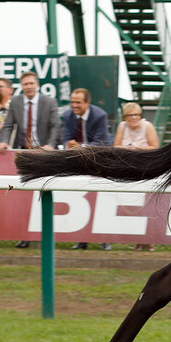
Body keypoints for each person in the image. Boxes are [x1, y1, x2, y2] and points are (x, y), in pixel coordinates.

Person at [0, 72, 61, 248]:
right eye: (25, 84)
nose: (29, 86)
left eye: (31, 83)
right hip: (22, 152)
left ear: (37, 84)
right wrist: (3, 141)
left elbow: (55, 126)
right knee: (22, 196)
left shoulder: (50, 102)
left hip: (42, 154)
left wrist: (49, 145)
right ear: (21, 86)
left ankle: (45, 235)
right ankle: (24, 236)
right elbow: (9, 124)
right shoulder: (16, 102)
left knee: (42, 193)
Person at [62, 88, 114, 251]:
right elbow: (65, 138)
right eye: (72, 102)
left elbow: (102, 143)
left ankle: (104, 239)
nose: (74, 105)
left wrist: (80, 146)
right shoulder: (67, 116)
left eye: (78, 102)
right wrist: (68, 145)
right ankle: (81, 240)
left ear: (87, 103)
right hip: (79, 161)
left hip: (101, 161)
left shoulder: (100, 115)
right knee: (79, 198)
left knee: (101, 200)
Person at [114, 102, 159, 251]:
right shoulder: (122, 126)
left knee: (147, 203)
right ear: (125, 117)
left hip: (145, 167)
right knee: (132, 204)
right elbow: (116, 146)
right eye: (130, 115)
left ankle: (149, 240)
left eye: (136, 115)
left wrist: (133, 148)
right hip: (127, 168)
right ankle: (137, 239)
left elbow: (154, 147)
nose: (134, 118)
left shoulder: (148, 126)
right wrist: (131, 149)